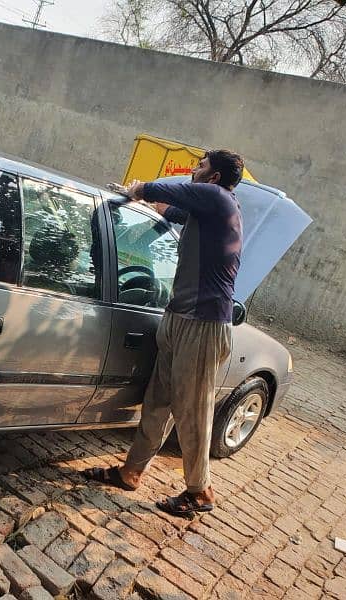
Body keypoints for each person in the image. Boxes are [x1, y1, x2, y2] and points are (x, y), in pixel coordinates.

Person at [83, 149, 244, 518]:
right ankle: (131, 472)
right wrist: (139, 201)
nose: (194, 169)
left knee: (193, 411)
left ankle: (200, 491)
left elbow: (165, 191)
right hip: (178, 317)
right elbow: (169, 210)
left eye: (201, 165)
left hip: (203, 325)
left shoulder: (219, 199)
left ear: (215, 177)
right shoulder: (205, 209)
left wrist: (140, 188)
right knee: (158, 401)